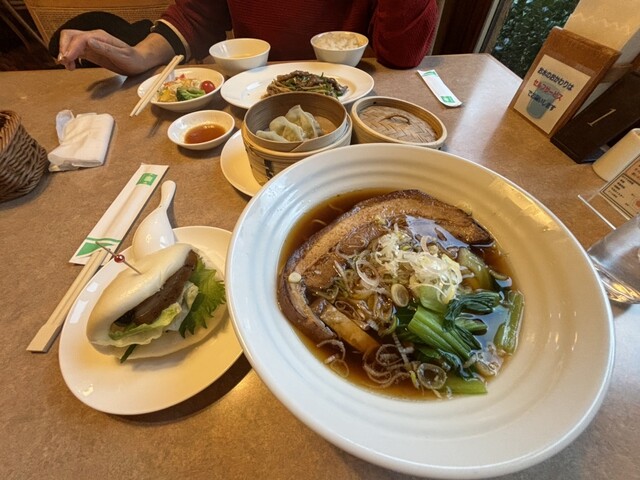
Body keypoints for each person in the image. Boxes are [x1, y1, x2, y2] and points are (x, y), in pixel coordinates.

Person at [56, 0, 439, 75]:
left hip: (354, 95)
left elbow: (402, 55)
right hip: (254, 91)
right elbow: (196, 15)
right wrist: (138, 56)